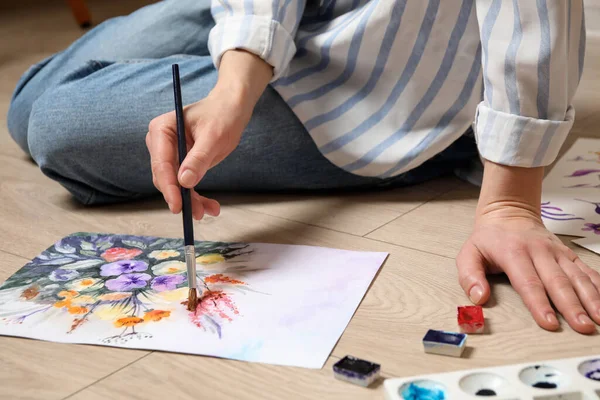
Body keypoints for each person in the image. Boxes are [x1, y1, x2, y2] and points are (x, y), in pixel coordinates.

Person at [7, 0, 599, 334]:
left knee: (57, 125)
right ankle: (226, 60)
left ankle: (451, 142)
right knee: (25, 109)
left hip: (397, 66)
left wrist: (510, 201)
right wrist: (236, 83)